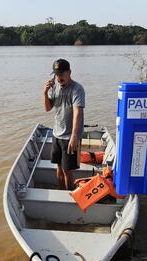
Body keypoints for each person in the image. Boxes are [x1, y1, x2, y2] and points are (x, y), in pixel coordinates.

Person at [43, 59, 85, 190]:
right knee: (59, 168)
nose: (59, 77)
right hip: (56, 135)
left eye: (61, 74)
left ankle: (69, 196)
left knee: (67, 170)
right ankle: (62, 192)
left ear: (69, 72)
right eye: (56, 74)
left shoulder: (77, 89)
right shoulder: (54, 88)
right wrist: (45, 92)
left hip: (69, 137)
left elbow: (77, 112)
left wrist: (74, 136)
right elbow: (48, 108)